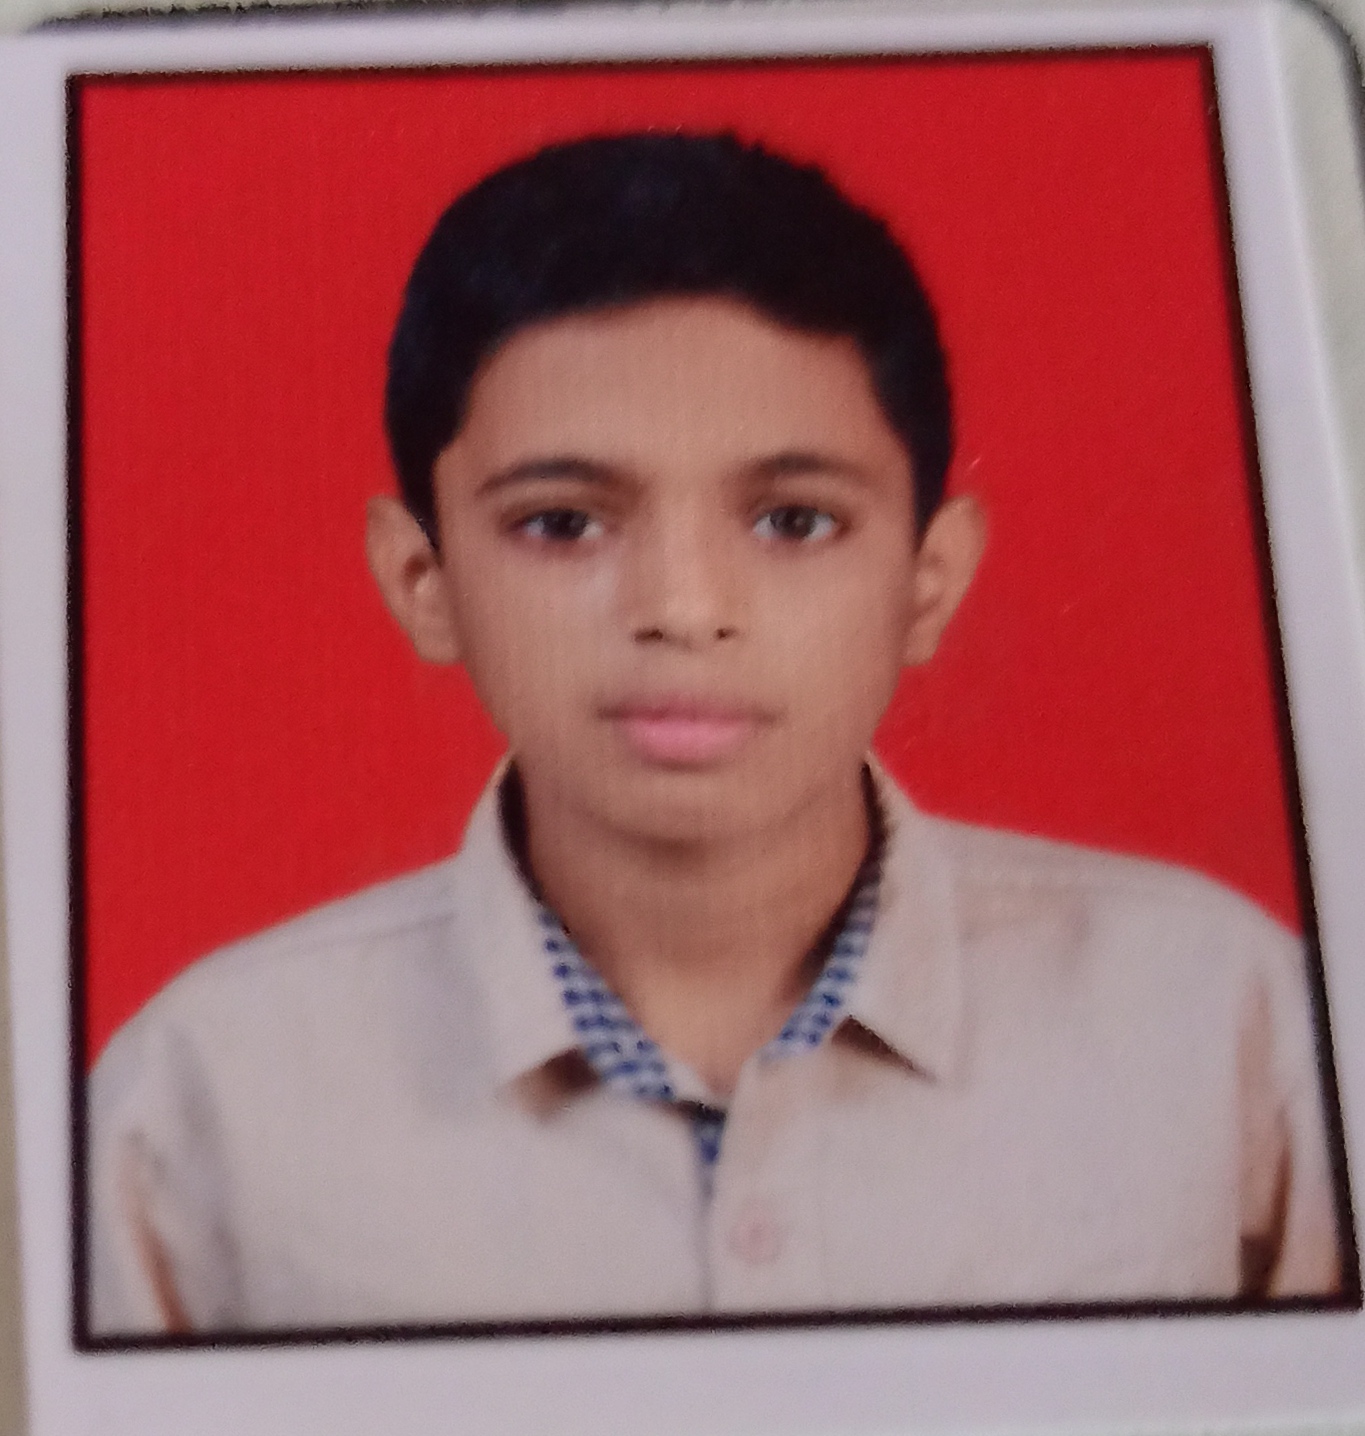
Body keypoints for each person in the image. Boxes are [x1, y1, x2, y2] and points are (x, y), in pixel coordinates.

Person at [87, 133, 1344, 1336]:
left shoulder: (1228, 1021)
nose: (684, 610)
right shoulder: (199, 1098)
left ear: (929, 579)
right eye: (563, 522)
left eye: (794, 520)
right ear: (424, 579)